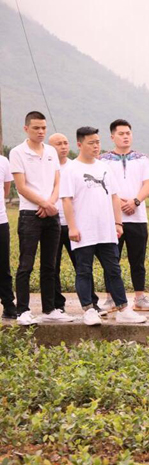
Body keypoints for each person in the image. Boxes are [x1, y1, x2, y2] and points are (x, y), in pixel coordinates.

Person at [60, 127, 147, 326]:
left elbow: (115, 196)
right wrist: (72, 227)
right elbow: (66, 200)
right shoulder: (71, 169)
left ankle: (123, 308)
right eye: (91, 143)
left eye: (98, 142)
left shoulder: (104, 167)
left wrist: (118, 222)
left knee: (113, 269)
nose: (96, 146)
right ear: (80, 144)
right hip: (84, 230)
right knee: (84, 270)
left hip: (106, 230)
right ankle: (89, 309)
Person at [9, 111, 74, 325]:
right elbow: (21, 186)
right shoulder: (18, 152)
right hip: (30, 214)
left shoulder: (51, 151)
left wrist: (50, 204)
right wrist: (45, 204)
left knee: (50, 265)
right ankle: (23, 311)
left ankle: (50, 309)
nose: (40, 131)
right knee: (26, 264)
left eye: (43, 128)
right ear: (26, 128)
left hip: (51, 214)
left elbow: (57, 182)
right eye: (36, 128)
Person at [99, 119, 149, 312]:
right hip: (113, 219)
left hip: (138, 218)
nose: (125, 137)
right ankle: (110, 299)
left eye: (128, 133)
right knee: (111, 261)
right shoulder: (103, 160)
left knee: (137, 260)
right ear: (112, 137)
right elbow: (103, 186)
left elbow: (148, 183)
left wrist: (135, 201)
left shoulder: (143, 159)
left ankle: (139, 298)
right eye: (121, 133)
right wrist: (120, 202)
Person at [49, 133, 103, 314]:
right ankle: (57, 305)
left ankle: (92, 303)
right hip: (53, 222)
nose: (63, 146)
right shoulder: (47, 167)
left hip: (75, 224)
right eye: (58, 144)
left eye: (65, 143)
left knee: (82, 266)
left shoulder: (75, 166)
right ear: (50, 147)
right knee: (53, 266)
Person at [0, 150, 16, 319]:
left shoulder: (3, 161)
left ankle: (8, 304)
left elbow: (6, 190)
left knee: (3, 265)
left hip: (0, 221)